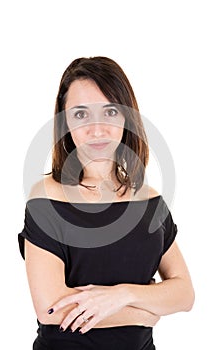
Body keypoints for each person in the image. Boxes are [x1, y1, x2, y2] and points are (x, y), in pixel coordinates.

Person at [18, 56, 195, 350]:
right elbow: (50, 310)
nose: (97, 129)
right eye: (80, 115)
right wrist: (143, 313)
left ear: (126, 116)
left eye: (110, 111)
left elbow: (185, 294)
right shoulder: (46, 199)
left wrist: (123, 295)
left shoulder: (150, 201)